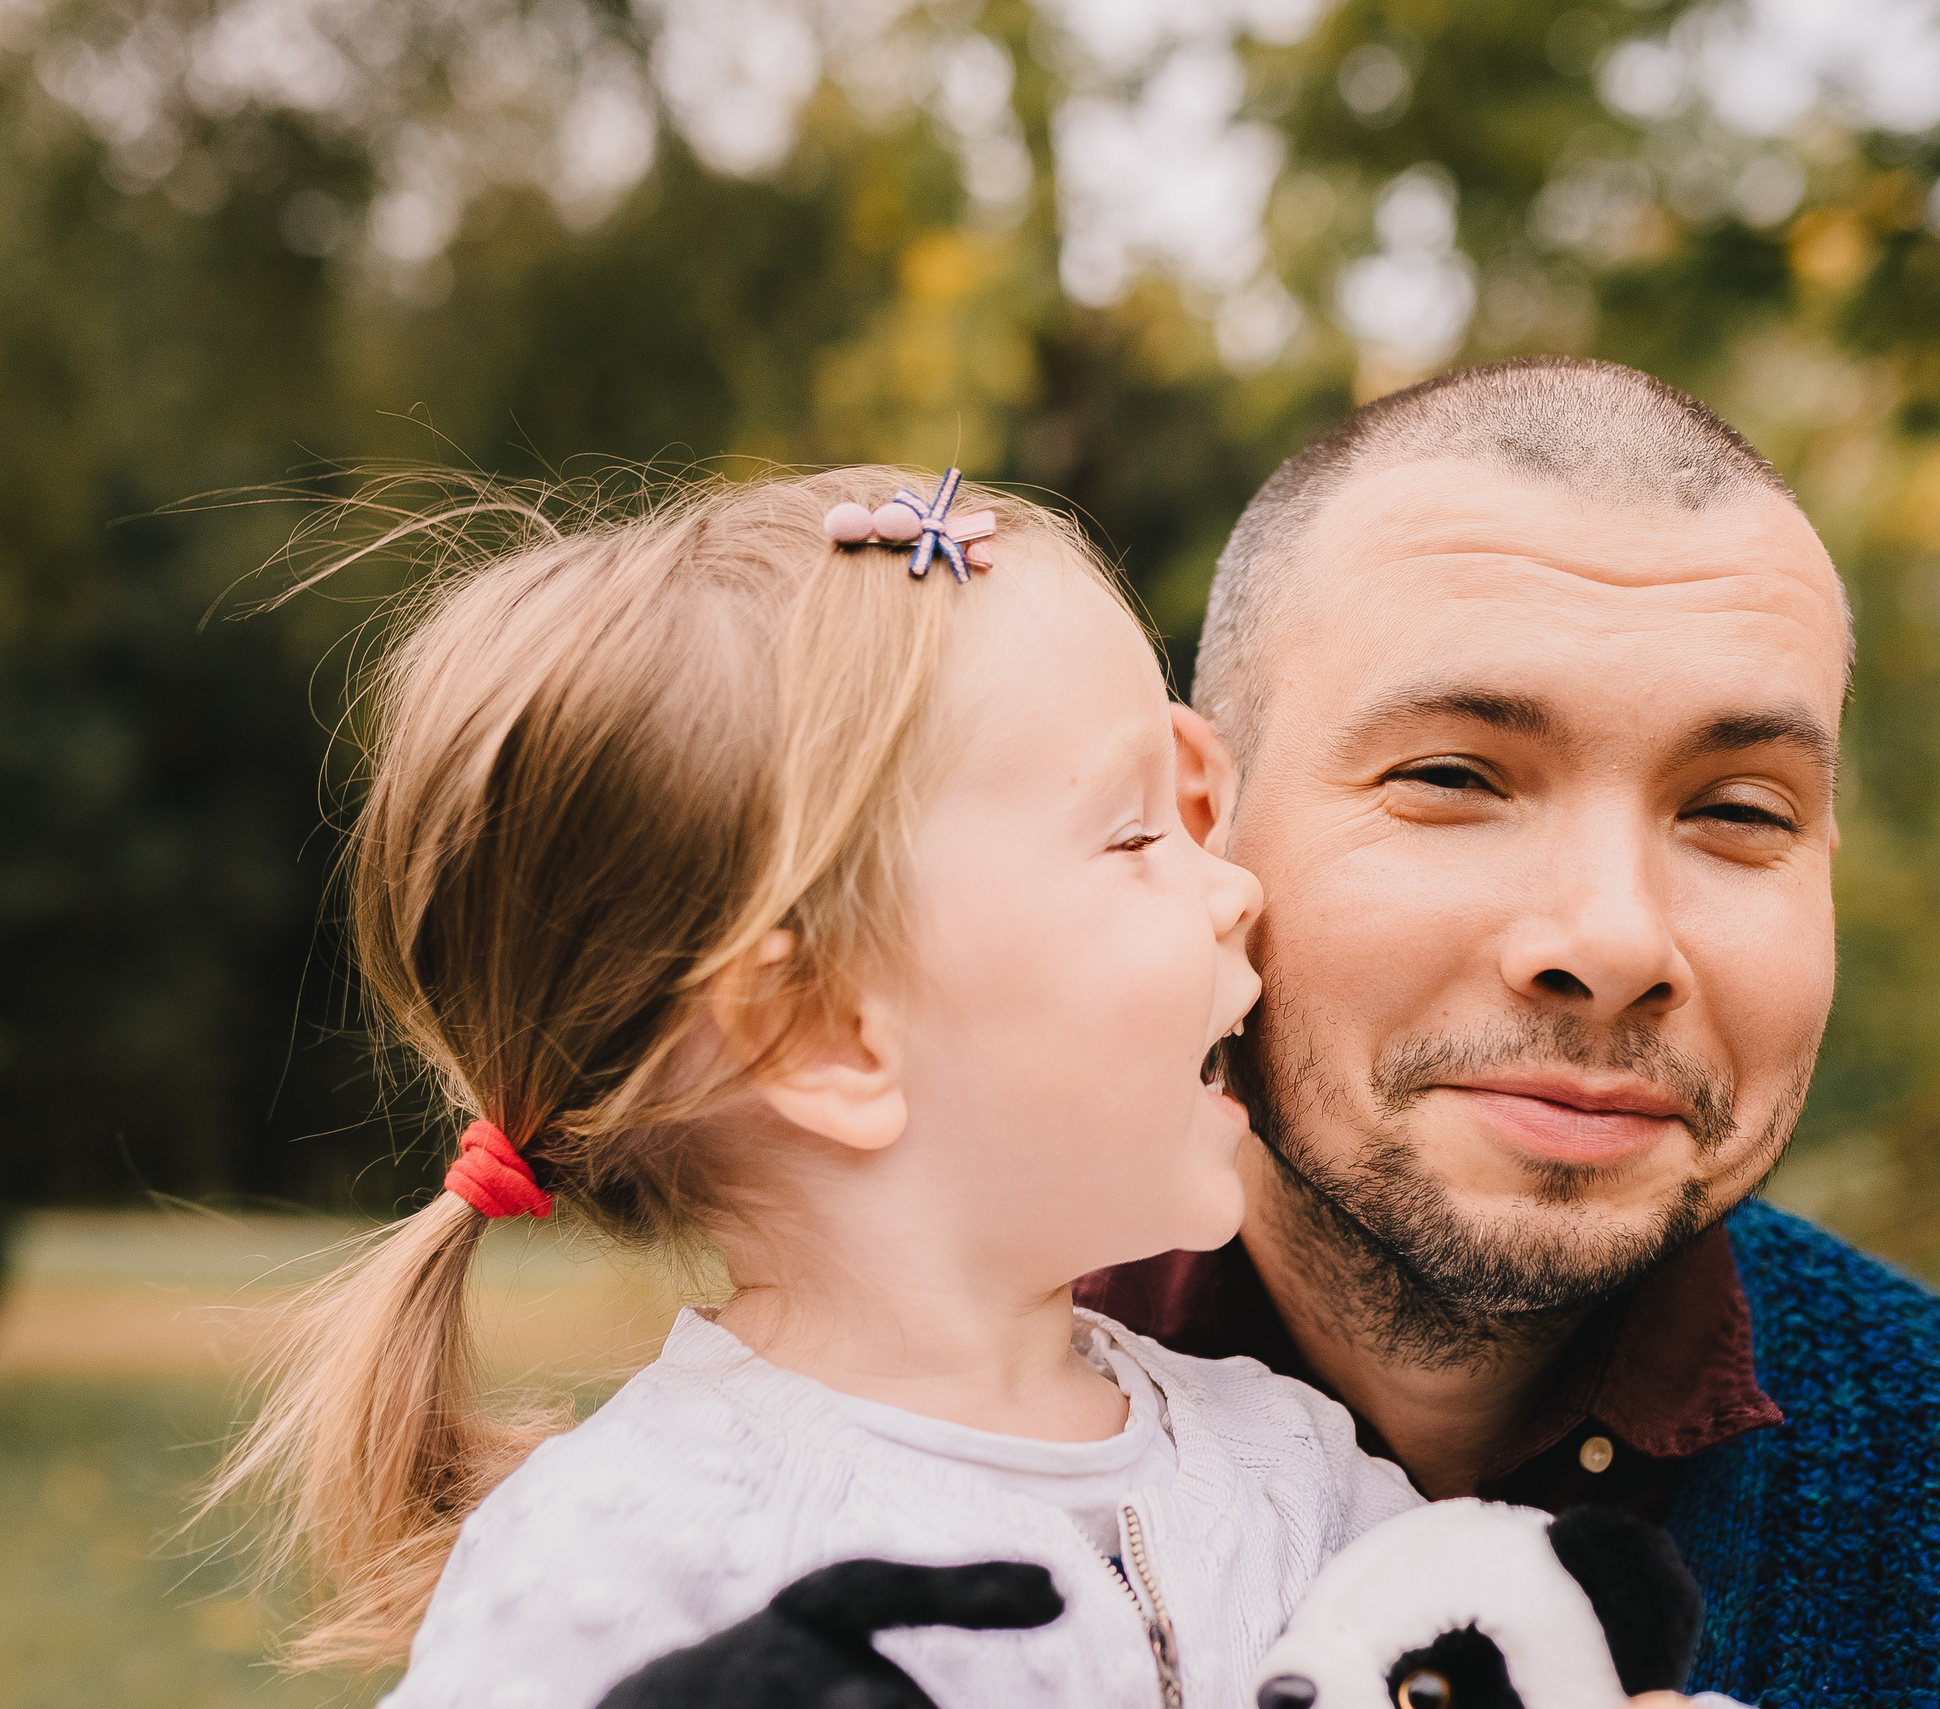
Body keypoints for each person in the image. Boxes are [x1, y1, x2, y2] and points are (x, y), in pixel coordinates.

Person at [1085, 357, 1940, 1705]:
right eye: (1453, 777)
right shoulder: (844, 1433)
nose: (1612, 943)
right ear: (1194, 823)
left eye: (1737, 809)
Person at [206, 468, 1423, 1708]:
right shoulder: (622, 1563)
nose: (1236, 887)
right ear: (824, 1035)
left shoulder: (1295, 1468)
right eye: (1132, 835)